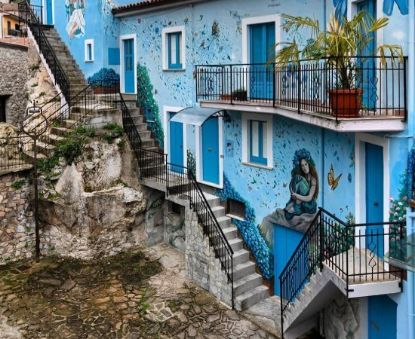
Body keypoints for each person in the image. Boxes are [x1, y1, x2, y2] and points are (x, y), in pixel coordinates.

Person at [259, 149, 319, 248]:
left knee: (298, 182)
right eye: (302, 165)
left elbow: (309, 198)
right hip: (299, 202)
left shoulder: (313, 179)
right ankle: (294, 206)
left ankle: (295, 207)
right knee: (297, 179)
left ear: (309, 164)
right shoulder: (300, 177)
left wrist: (296, 196)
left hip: (308, 205)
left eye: (306, 164)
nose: (304, 167)